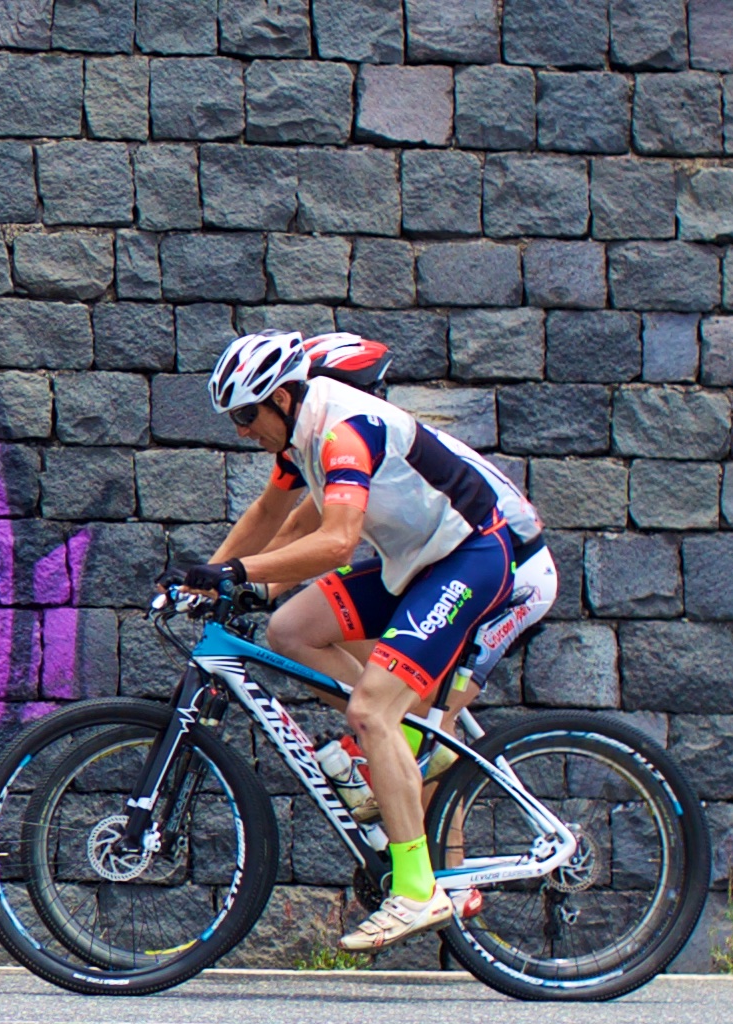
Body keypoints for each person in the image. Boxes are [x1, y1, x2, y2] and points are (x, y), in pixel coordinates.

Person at [175, 329, 541, 953]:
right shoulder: (301, 438)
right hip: (418, 561)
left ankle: (418, 886)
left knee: (373, 708)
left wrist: (238, 574)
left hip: (474, 556)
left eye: (246, 414)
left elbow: (338, 543)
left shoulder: (345, 432)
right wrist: (200, 582)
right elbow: (268, 517)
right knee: (290, 628)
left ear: (284, 399)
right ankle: (410, 738)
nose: (240, 430)